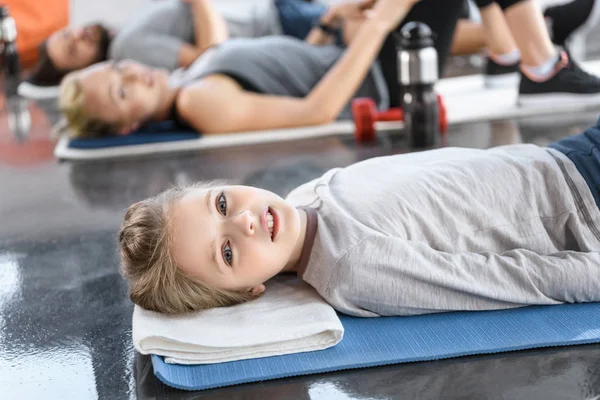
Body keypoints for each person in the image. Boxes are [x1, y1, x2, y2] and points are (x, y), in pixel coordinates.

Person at [118, 111, 600, 316]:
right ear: (248, 291)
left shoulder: (306, 196)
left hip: (564, 156)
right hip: (587, 205)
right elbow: (508, 281)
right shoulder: (354, 267)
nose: (242, 222)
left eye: (222, 203)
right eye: (226, 252)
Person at [58, 0, 600, 139]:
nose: (138, 78)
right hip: (383, 77)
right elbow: (316, 111)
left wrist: (334, 21)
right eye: (124, 95)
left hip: (360, 54)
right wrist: (378, 23)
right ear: (128, 125)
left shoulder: (189, 75)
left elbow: (292, 66)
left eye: (122, 71)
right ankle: (537, 63)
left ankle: (515, 56)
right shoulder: (200, 102)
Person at [26, 0, 285, 87]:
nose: (76, 37)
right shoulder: (126, 48)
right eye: (73, 51)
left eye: (65, 35)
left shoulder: (123, 35)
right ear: (84, 71)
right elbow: (211, 56)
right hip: (276, 27)